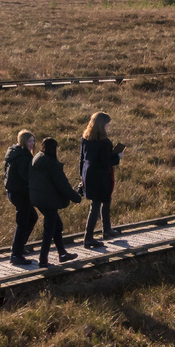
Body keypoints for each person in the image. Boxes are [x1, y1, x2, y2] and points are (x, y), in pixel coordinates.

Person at [29, 137, 82, 267]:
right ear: (55, 148)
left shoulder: (37, 158)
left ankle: (62, 253)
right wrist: (77, 198)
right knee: (49, 229)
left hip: (38, 199)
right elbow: (63, 186)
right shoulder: (52, 164)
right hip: (49, 201)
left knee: (57, 225)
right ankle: (43, 260)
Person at [79, 111, 125, 249]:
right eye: (107, 124)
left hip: (88, 174)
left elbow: (81, 159)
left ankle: (107, 230)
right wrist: (118, 157)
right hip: (101, 176)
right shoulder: (104, 142)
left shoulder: (85, 138)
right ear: (102, 125)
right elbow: (106, 162)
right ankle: (89, 238)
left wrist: (81, 177)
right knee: (97, 205)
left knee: (102, 201)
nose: (108, 126)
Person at [4, 129, 38, 265]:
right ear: (24, 141)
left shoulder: (14, 152)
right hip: (20, 193)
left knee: (32, 218)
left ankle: (19, 247)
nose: (32, 144)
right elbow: (25, 177)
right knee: (23, 222)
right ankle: (16, 255)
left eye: (33, 141)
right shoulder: (23, 157)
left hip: (14, 191)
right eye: (30, 141)